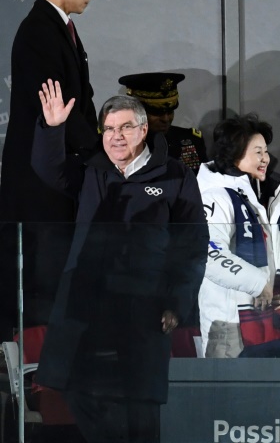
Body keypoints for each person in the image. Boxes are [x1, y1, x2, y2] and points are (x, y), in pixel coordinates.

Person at [32, 81, 208, 443]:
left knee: (140, 414)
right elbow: (48, 170)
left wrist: (177, 302)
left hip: (145, 307)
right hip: (89, 309)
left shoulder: (174, 174)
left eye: (126, 127)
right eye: (109, 129)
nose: (116, 136)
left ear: (143, 129)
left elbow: (192, 244)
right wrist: (52, 129)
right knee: (83, 395)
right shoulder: (91, 170)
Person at [0, 0, 100, 338]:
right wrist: (98, 152)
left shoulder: (59, 27)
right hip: (39, 176)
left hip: (59, 169)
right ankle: (38, 371)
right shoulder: (39, 31)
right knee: (43, 271)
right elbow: (57, 106)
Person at [197, 114, 280, 357]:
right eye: (258, 152)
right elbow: (208, 253)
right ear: (235, 154)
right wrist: (258, 283)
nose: (266, 159)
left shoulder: (278, 197)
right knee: (237, 395)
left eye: (266, 151)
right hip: (232, 325)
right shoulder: (214, 197)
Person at [118, 72, 208, 173]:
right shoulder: (117, 144)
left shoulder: (190, 139)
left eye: (170, 111)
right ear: (135, 111)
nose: (165, 119)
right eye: (156, 112)